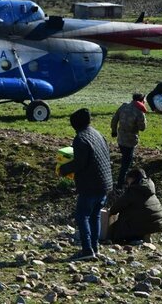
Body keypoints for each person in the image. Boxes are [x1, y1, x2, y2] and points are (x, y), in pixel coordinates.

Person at [60, 108, 113, 261]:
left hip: (91, 184)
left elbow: (80, 164)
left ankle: (87, 250)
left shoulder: (81, 138)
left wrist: (64, 169)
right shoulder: (97, 134)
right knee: (95, 215)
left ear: (75, 125)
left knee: (82, 216)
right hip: (105, 183)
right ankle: (95, 247)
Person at [109, 168, 162, 244]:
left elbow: (117, 207)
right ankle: (144, 235)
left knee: (124, 216)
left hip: (143, 222)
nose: (127, 182)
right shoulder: (149, 187)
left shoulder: (133, 190)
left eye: (128, 179)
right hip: (157, 222)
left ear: (133, 179)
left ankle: (134, 238)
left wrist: (111, 211)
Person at [111, 93, 147, 189]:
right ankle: (121, 184)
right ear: (142, 100)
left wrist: (114, 131)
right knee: (126, 163)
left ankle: (123, 180)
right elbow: (142, 128)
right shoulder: (139, 111)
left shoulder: (124, 106)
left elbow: (114, 119)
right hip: (130, 141)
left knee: (125, 160)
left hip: (120, 139)